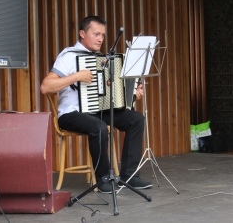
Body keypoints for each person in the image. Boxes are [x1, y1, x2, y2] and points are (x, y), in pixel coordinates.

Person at [40, 16, 152, 193]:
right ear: (82, 33)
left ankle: (129, 177)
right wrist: (77, 76)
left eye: (103, 35)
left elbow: (112, 91)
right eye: (96, 34)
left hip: (97, 111)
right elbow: (45, 87)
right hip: (71, 114)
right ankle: (103, 179)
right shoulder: (68, 56)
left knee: (136, 119)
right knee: (98, 127)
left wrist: (132, 94)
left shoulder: (101, 59)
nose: (100, 39)